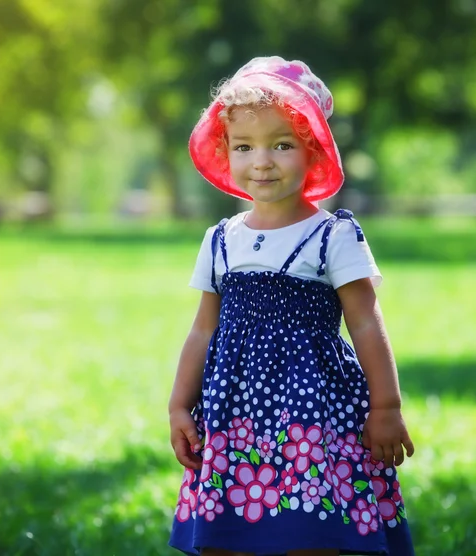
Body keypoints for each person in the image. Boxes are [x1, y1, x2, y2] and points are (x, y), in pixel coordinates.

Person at [168, 56, 415, 556]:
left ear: (313, 153)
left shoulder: (333, 235)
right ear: (226, 153)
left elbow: (366, 322)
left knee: (310, 531)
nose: (262, 160)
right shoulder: (220, 240)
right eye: (244, 146)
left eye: (281, 145)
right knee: (227, 533)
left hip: (312, 415)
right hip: (233, 412)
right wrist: (179, 403)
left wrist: (386, 406)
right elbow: (201, 332)